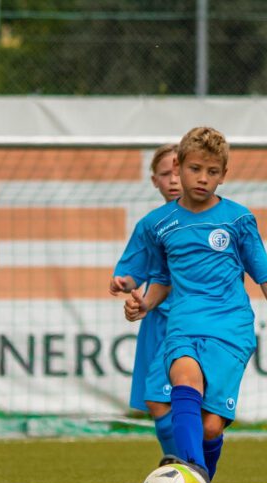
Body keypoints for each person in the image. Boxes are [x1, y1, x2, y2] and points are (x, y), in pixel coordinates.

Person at [125, 126, 267, 483]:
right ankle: (193, 477)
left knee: (211, 426)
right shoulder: (162, 224)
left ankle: (196, 481)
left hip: (231, 329)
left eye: (212, 172)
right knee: (183, 377)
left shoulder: (238, 220)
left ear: (224, 174)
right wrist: (145, 304)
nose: (203, 179)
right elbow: (162, 279)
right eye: (195, 169)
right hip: (182, 324)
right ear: (178, 168)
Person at [109, 144, 182, 456]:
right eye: (166, 174)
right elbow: (133, 272)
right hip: (160, 320)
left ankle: (188, 462)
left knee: (197, 406)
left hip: (199, 320)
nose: (175, 180)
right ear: (155, 181)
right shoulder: (151, 225)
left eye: (181, 172)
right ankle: (176, 460)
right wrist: (124, 282)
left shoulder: (216, 217)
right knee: (157, 399)